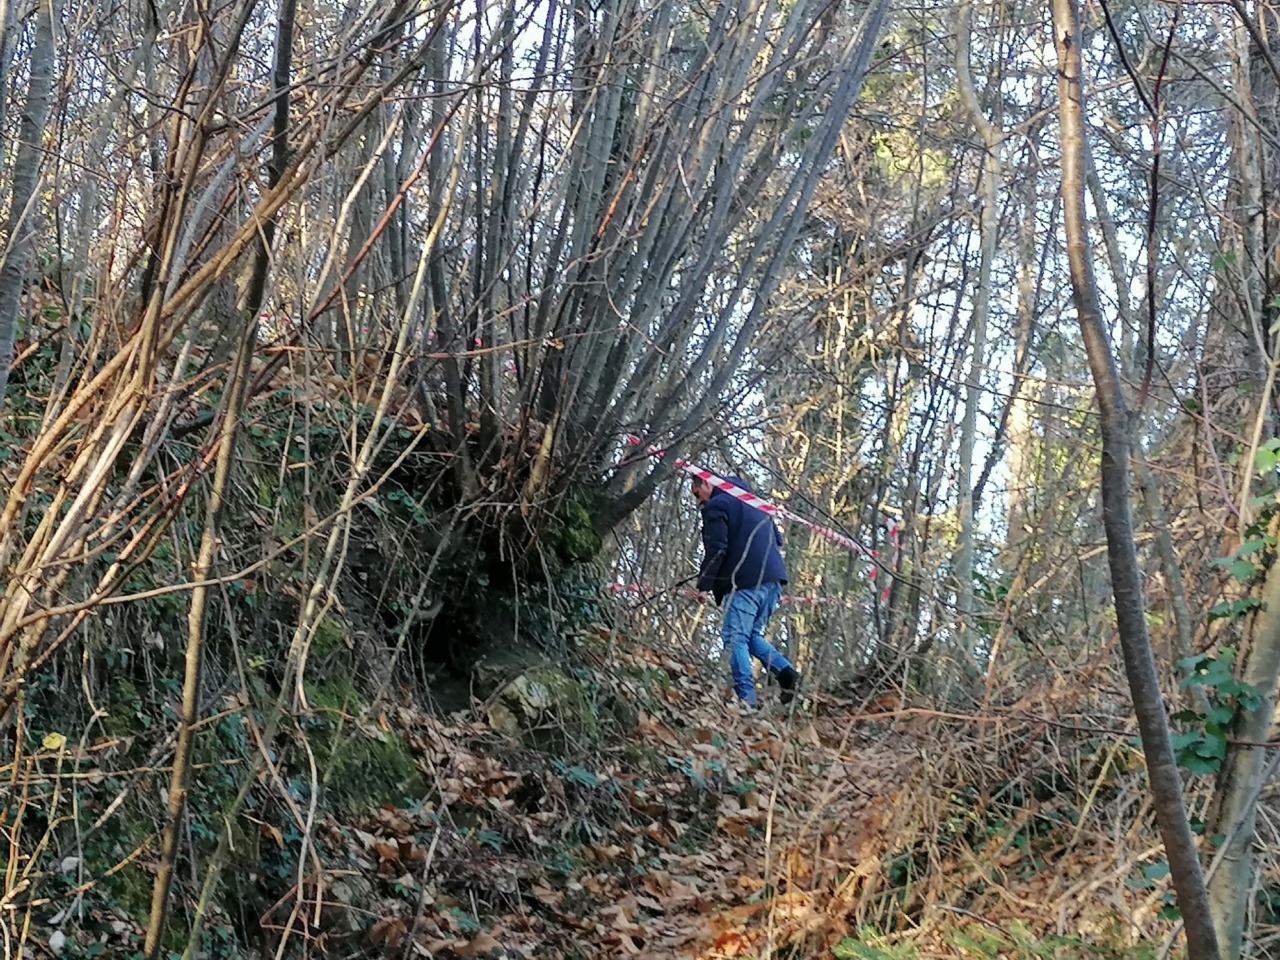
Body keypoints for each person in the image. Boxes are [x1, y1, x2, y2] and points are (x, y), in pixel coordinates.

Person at [692, 473, 800, 708]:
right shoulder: (755, 502)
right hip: (773, 583)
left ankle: (746, 701)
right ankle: (785, 673)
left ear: (706, 483)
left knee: (734, 639)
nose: (698, 502)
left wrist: (705, 585)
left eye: (697, 494)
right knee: (751, 636)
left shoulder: (718, 505)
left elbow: (717, 548)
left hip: (746, 584)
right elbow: (777, 540)